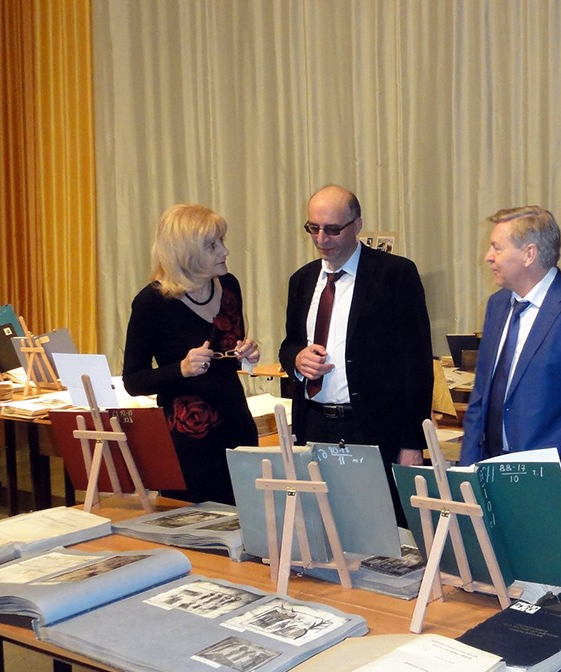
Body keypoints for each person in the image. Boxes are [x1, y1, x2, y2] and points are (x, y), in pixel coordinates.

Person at [459, 205, 561, 529]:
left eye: (496, 248)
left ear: (529, 254)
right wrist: (466, 474)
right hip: (488, 480)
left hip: (551, 490)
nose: (488, 257)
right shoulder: (497, 306)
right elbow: (481, 398)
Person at [278, 185, 433, 526]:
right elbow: (289, 344)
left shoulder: (394, 274)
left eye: (332, 229)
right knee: (323, 524)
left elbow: (417, 363)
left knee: (381, 527)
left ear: (357, 225)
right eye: (313, 228)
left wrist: (413, 442)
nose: (321, 239)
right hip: (315, 424)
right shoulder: (302, 280)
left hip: (374, 428)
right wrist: (297, 359)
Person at [123, 204, 260, 505]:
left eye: (222, 241)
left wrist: (246, 353)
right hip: (189, 441)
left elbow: (228, 354)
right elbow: (133, 381)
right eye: (212, 246)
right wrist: (181, 369)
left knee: (248, 517)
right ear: (185, 253)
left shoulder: (230, 286)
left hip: (236, 426)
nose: (225, 251)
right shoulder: (151, 303)